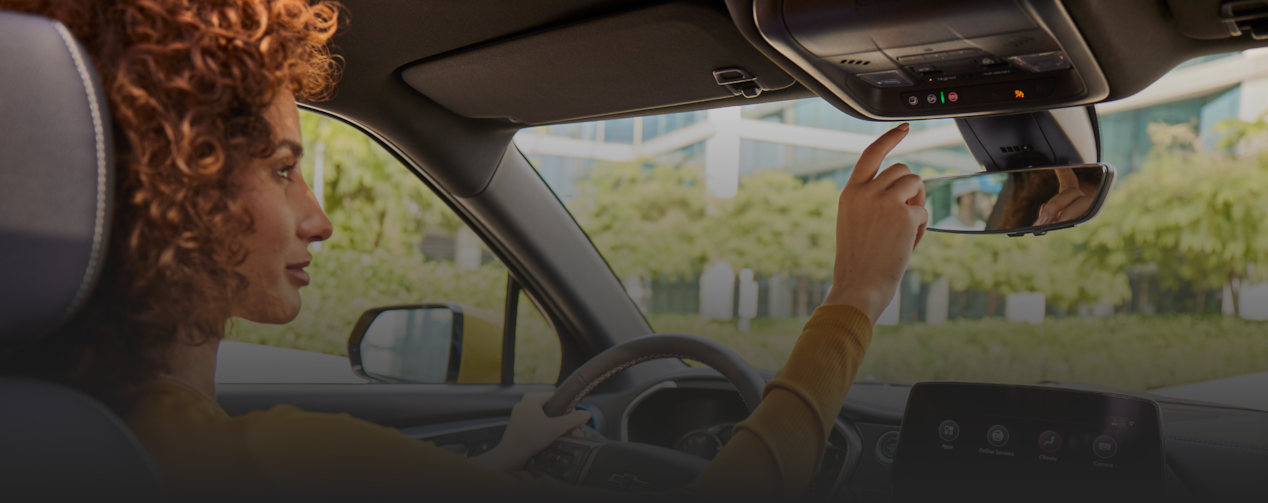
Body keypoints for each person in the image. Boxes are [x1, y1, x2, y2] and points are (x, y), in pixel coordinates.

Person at [1, 1, 927, 500]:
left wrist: (502, 458)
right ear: (176, 186)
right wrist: (856, 296)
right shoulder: (282, 453)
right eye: (283, 168)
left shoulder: (73, 433)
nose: (318, 218)